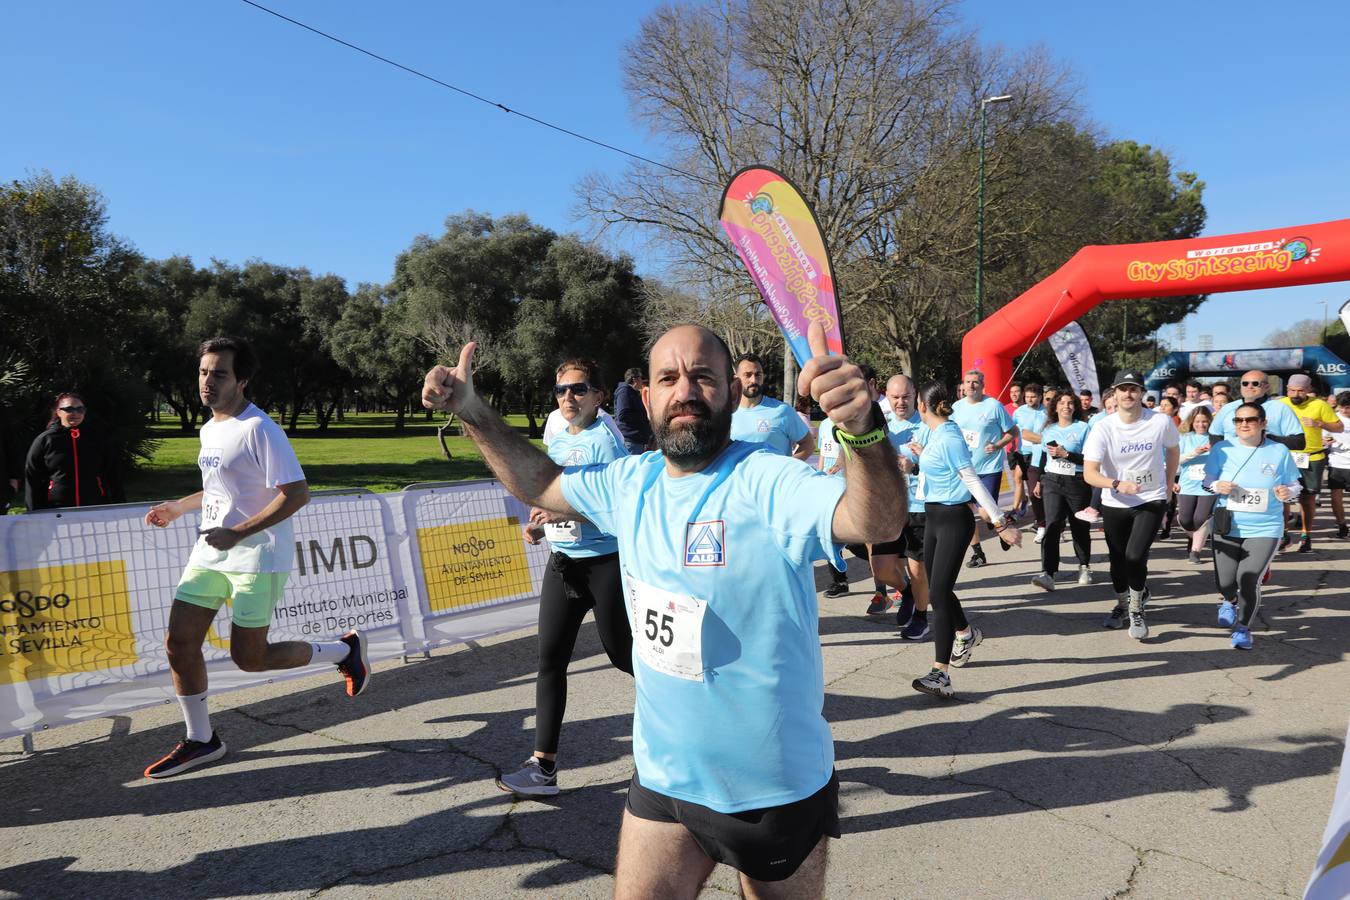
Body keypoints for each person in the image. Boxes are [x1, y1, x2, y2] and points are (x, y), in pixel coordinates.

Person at [422, 321, 903, 895]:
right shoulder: (631, 483)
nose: (686, 391)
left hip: (775, 785)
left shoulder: (769, 479)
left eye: (703, 376)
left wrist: (862, 431)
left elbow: (875, 522)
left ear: (729, 390)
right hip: (665, 783)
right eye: (669, 378)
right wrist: (473, 410)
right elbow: (541, 482)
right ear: (647, 397)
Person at [141, 337, 369, 779]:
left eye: (219, 374)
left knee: (250, 657)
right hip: (211, 552)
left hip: (257, 557)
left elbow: (296, 494)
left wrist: (238, 533)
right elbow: (224, 487)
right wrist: (178, 507)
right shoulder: (210, 428)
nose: (207, 382)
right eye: (204, 372)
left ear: (241, 380)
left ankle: (344, 649)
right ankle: (201, 740)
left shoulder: (260, 428)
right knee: (179, 642)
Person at [500, 359, 634, 796]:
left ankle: (692, 729)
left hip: (606, 563)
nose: (567, 398)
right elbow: (551, 494)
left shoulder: (607, 440)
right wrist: (540, 521)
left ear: (598, 395)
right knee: (549, 662)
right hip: (563, 563)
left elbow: (617, 505)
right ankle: (544, 768)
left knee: (625, 658)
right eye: (560, 390)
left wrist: (562, 510)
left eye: (578, 389)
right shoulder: (556, 434)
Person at [910, 380, 1022, 699]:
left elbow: (972, 481)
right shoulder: (935, 435)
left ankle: (940, 674)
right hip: (933, 517)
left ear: (922, 405)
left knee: (940, 594)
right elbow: (934, 475)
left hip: (954, 521)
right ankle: (966, 633)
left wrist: (999, 522)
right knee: (937, 591)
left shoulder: (948, 436)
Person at [1083, 370, 1179, 640]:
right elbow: (1090, 473)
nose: (1128, 394)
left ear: (1141, 393)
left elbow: (1173, 450)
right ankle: (1123, 604)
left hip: (1151, 497)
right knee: (1117, 561)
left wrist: (1169, 484)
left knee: (1135, 556)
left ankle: (1136, 609)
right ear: (1114, 393)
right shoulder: (1103, 427)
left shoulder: (1160, 421)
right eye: (1123, 389)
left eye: (1133, 389)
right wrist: (1116, 484)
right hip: (1115, 500)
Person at [1202, 402, 1300, 650]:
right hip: (1228, 525)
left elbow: (1295, 486)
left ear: (1263, 423)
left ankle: (1243, 628)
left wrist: (1287, 491)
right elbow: (1206, 481)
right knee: (1225, 582)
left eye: (1251, 420)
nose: (1244, 424)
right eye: (1238, 420)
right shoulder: (1222, 448)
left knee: (1248, 578)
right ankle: (1228, 599)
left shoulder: (1278, 451)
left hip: (1265, 527)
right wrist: (1217, 486)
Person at [951, 369, 1016, 568]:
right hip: (964, 468)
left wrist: (997, 445)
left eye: (975, 382)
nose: (971, 386)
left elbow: (1013, 432)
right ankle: (978, 553)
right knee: (968, 513)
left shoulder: (994, 406)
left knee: (986, 513)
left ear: (982, 384)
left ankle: (1002, 523)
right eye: (967, 382)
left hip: (989, 467)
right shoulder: (956, 407)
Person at [1029, 391, 1093, 591]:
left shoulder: (1083, 428)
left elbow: (1091, 458)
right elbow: (1042, 458)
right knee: (1053, 525)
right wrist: (1039, 479)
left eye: (1070, 403)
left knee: (1079, 526)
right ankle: (1048, 573)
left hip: (1077, 481)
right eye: (1062, 403)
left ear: (1075, 407)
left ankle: (1084, 566)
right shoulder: (1048, 429)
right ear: (1055, 407)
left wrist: (1067, 454)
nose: (1066, 406)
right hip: (1052, 480)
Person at [886, 374, 932, 640]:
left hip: (918, 505)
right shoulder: (884, 427)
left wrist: (914, 467)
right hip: (889, 507)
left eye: (905, 396)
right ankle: (907, 594)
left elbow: (942, 466)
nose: (900, 402)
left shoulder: (927, 426)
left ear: (915, 394)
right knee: (881, 568)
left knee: (918, 569)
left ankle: (921, 617)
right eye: (895, 397)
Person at [24, 392, 125, 510]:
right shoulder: (45, 440)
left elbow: (113, 474)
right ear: (58, 412)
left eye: (80, 409)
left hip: (95, 506)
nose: (75, 413)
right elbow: (33, 477)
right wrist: (33, 511)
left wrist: (120, 506)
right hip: (56, 509)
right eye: (69, 409)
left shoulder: (98, 439)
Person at [1279, 373, 1342, 552]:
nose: (1296, 394)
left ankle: (1306, 535)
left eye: (1300, 391)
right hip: (1285, 457)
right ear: (1287, 389)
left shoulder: (1319, 405)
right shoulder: (1280, 404)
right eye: (1292, 390)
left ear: (1308, 390)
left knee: (1307, 499)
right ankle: (1284, 534)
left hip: (1312, 457)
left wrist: (1319, 424)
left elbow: (1339, 427)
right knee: (1283, 497)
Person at [729, 352, 815, 460]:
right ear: (736, 379)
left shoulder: (782, 410)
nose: (754, 380)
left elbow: (808, 444)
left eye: (758, 374)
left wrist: (787, 469)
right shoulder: (726, 413)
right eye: (748, 375)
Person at [1175, 407, 1218, 565]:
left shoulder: (1216, 439)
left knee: (1201, 519)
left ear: (1210, 422)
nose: (1201, 424)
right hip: (1187, 484)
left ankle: (1195, 552)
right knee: (1186, 519)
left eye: (1205, 421)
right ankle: (1195, 537)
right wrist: (1195, 453)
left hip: (1209, 485)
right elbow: (1176, 460)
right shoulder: (1184, 438)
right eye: (1198, 421)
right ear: (1192, 422)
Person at [1074, 386, 1117, 525]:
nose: (1114, 411)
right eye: (1109, 408)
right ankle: (1096, 510)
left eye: (1116, 406)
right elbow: (1091, 443)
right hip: (1104, 463)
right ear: (1104, 408)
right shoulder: (1098, 421)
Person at [1012, 383, 1048, 542]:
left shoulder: (1046, 412)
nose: (1029, 399)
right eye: (1027, 397)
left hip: (1040, 455)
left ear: (1040, 397)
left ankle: (1043, 523)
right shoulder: (1019, 412)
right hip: (1023, 453)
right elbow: (1014, 431)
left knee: (1037, 489)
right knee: (1019, 479)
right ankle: (1021, 508)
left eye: (1033, 397)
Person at [1325, 392, 1350, 539]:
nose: (1344, 411)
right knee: (1335, 497)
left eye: (1348, 408)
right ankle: (1341, 524)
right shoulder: (1332, 418)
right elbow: (1323, 437)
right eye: (1341, 407)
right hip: (1337, 463)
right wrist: (1326, 441)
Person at [613, 367, 653, 455]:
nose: (642, 381)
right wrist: (644, 416)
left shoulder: (632, 392)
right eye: (641, 378)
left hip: (636, 439)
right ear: (634, 379)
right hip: (631, 439)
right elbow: (623, 415)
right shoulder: (624, 392)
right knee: (633, 467)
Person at [1004, 382, 1027, 518]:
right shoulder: (1005, 409)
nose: (1014, 394)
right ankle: (1024, 499)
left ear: (1022, 393)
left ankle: (1014, 509)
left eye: (1017, 391)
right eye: (1012, 392)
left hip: (1024, 449)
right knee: (1016, 479)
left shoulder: (1026, 409)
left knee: (1018, 478)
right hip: (1010, 449)